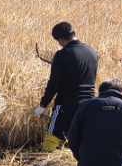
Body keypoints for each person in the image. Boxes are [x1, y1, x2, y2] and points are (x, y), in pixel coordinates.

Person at [33, 22, 98, 153]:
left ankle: (45, 162)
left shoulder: (62, 55)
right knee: (82, 137)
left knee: (53, 134)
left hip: (66, 104)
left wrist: (43, 105)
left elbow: (53, 84)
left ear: (60, 39)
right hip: (89, 103)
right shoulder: (92, 52)